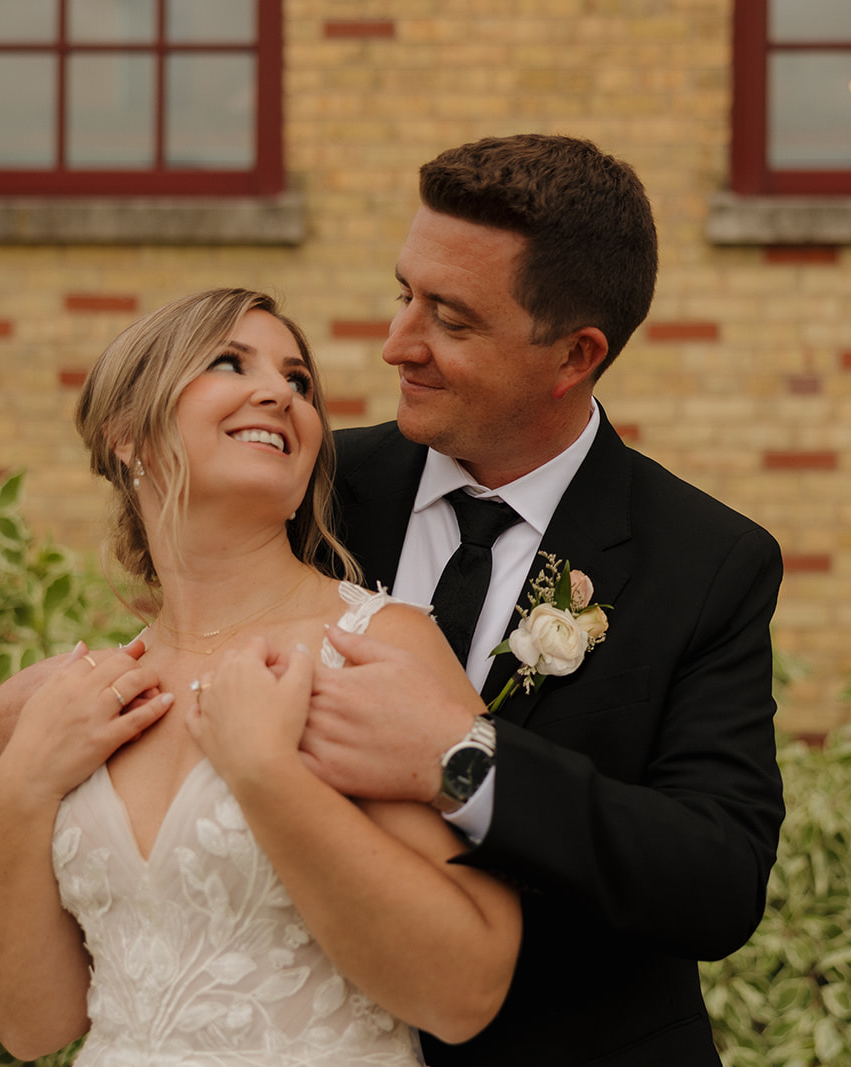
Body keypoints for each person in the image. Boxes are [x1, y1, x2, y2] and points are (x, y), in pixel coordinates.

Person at [298, 134, 786, 1066]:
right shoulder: (311, 493)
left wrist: (461, 763)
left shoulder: (707, 561)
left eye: (451, 318)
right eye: (404, 294)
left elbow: (717, 877)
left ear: (574, 355)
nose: (397, 344)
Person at [0, 288, 521, 1066]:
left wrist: (266, 774)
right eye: (230, 362)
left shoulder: (372, 646)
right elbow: (33, 1025)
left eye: (299, 382)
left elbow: (464, 989)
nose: (279, 393)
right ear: (128, 432)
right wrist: (20, 788)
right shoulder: (76, 702)